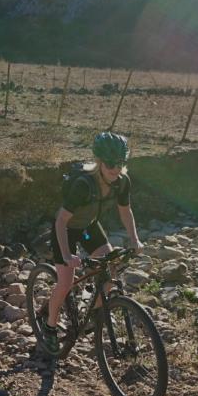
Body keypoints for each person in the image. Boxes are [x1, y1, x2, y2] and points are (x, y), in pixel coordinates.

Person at [42, 131, 144, 353]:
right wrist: (68, 255)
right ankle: (49, 326)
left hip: (88, 227)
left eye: (120, 163)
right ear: (99, 161)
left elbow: (125, 212)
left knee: (109, 268)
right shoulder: (83, 185)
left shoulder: (121, 182)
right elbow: (61, 220)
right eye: (110, 164)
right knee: (66, 282)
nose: (116, 169)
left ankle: (92, 314)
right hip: (66, 230)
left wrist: (135, 240)